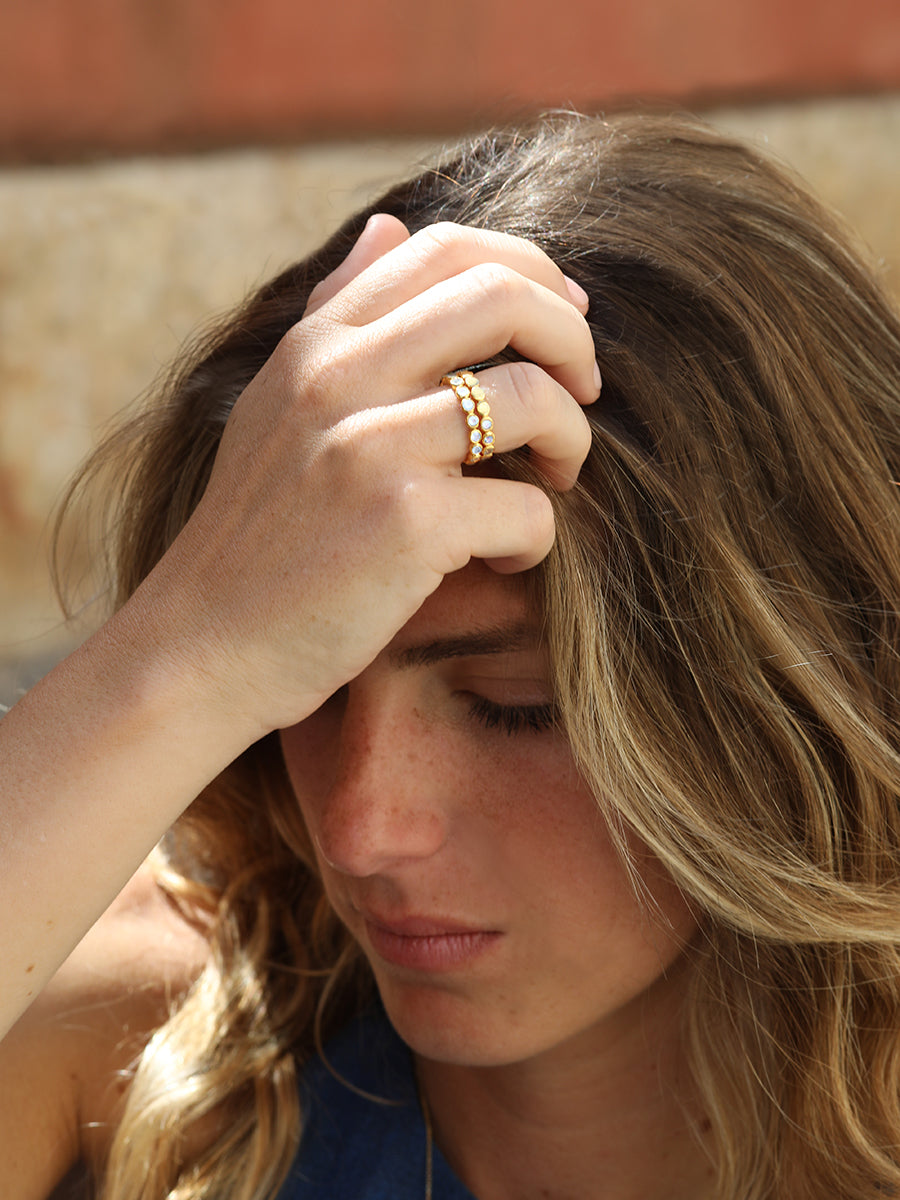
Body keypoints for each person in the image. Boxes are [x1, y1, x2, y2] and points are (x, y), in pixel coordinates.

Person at [1, 110, 899, 1200]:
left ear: (805, 689)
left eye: (513, 705)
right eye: (310, 689)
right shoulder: (120, 1029)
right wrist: (179, 658)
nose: (360, 831)